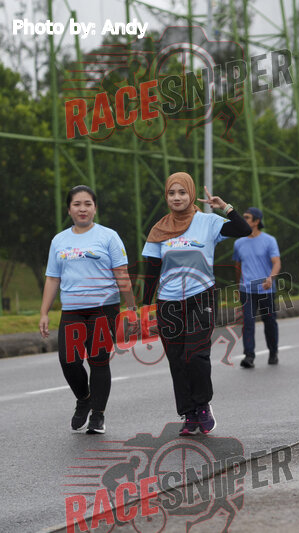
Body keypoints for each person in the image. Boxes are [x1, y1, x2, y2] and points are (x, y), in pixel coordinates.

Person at [141, 172, 251, 436]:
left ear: (191, 194)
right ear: (166, 196)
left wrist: (225, 207)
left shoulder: (208, 222)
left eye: (182, 192)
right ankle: (188, 414)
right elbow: (152, 271)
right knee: (177, 359)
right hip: (168, 302)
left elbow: (243, 230)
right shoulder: (159, 229)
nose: (177, 198)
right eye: (171, 193)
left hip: (201, 296)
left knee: (196, 355)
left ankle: (202, 405)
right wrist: (145, 308)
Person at [39, 185, 138, 434]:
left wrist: (131, 308)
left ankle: (98, 415)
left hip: (103, 309)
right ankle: (84, 398)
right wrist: (44, 312)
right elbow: (52, 278)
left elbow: (122, 274)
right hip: (72, 310)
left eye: (87, 204)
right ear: (69, 209)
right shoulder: (59, 240)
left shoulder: (109, 236)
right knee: (68, 361)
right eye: (77, 204)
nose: (82, 209)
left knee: (98, 360)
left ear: (95, 208)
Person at [234, 207, 281, 368]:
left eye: (247, 217)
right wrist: (238, 285)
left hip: (266, 290)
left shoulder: (269, 240)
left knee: (270, 322)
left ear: (256, 221)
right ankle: (249, 356)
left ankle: (273, 352)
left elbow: (277, 263)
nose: (244, 220)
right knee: (248, 323)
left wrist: (270, 278)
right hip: (246, 290)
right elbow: (238, 266)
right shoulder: (238, 242)